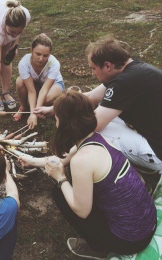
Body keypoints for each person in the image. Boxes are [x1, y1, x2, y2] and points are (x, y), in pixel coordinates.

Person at [19, 91, 157, 259]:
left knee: (59, 192)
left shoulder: (82, 161)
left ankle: (96, 248)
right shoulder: (97, 138)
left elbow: (82, 211)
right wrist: (32, 161)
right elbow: (61, 161)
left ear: (63, 121)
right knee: (70, 187)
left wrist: (60, 178)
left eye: (56, 116)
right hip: (147, 222)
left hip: (131, 240)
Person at [34, 35, 162, 173]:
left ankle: (63, 161)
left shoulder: (124, 82)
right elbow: (92, 97)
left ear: (107, 65)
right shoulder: (133, 68)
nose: (92, 73)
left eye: (93, 68)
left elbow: (93, 125)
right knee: (106, 115)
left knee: (93, 132)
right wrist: (53, 109)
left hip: (157, 151)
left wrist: (63, 120)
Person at [13, 33, 64, 129]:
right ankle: (24, 107)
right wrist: (33, 113)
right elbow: (31, 91)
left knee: (46, 98)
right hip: (35, 83)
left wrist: (34, 114)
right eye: (38, 54)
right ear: (31, 50)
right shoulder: (24, 63)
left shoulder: (54, 63)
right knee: (19, 82)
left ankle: (46, 107)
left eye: (45, 55)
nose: (41, 59)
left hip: (53, 85)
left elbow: (44, 89)